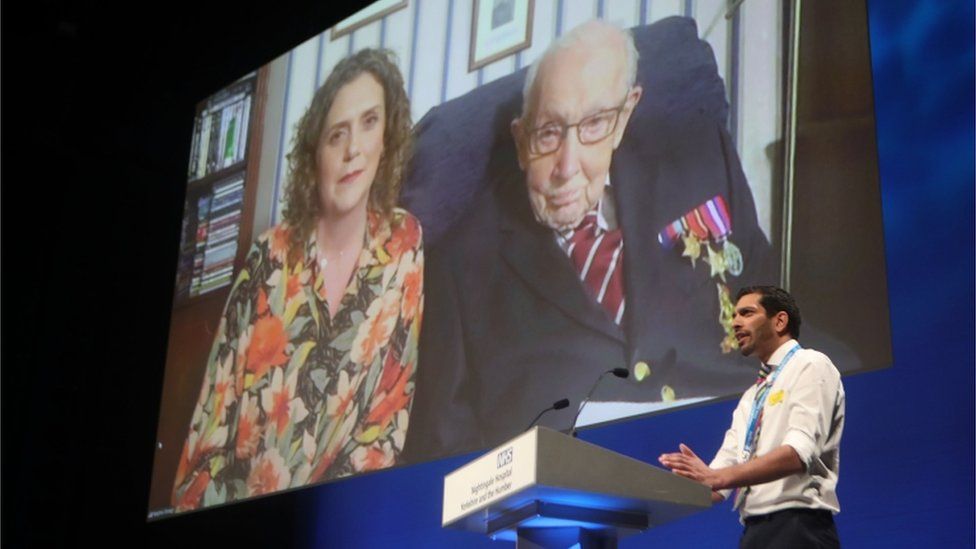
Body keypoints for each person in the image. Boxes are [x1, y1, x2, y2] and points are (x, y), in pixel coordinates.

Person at [403, 20, 776, 463]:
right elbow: (443, 449)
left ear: (623, 117)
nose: (567, 166)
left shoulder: (698, 168)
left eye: (595, 124)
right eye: (548, 133)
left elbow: (779, 318)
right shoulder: (462, 262)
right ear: (521, 141)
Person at [171, 49, 423, 511]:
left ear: (387, 138)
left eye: (370, 122)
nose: (353, 150)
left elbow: (387, 421)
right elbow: (210, 424)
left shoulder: (404, 243)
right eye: (336, 135)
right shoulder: (269, 256)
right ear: (315, 155)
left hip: (341, 519)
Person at [659, 286, 844, 548]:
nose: (734, 323)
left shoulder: (810, 364)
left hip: (798, 529)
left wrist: (717, 477)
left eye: (747, 313)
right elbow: (718, 483)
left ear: (780, 321)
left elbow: (798, 453)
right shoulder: (751, 396)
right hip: (754, 532)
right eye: (734, 315)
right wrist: (685, 483)